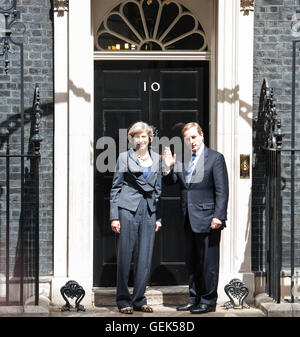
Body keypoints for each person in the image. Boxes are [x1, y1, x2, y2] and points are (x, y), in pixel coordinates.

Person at [162, 122, 229, 314]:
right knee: (191, 263)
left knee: (208, 263)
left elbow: (222, 191)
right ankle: (194, 298)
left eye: (193, 137)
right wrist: (167, 168)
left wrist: (219, 216)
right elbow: (170, 182)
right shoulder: (182, 159)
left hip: (209, 219)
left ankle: (208, 301)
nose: (191, 141)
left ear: (202, 136)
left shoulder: (215, 158)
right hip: (187, 219)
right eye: (187, 138)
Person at [110, 121, 162, 314]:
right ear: (131, 139)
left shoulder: (156, 159)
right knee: (125, 256)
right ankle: (124, 300)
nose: (140, 140)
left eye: (143, 136)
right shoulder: (124, 157)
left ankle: (140, 299)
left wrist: (159, 217)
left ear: (149, 139)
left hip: (149, 211)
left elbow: (158, 190)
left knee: (145, 257)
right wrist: (114, 217)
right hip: (128, 209)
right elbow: (116, 187)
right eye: (136, 136)